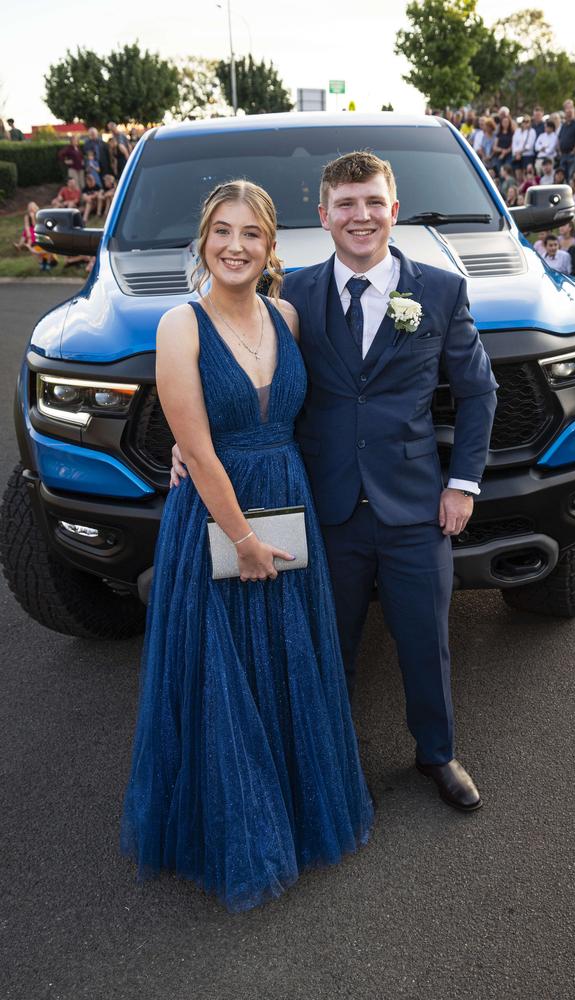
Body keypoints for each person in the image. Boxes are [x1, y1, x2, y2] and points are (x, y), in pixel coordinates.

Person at [170, 153, 498, 816]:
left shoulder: (438, 291)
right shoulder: (291, 300)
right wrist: (183, 440)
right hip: (323, 507)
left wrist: (462, 484)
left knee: (423, 640)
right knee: (326, 642)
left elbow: (479, 391)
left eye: (373, 202)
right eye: (345, 204)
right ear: (323, 217)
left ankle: (436, 753)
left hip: (415, 507)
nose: (361, 216)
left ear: (393, 210)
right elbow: (243, 373)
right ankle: (334, 759)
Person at [121, 179, 374, 911]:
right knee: (221, 672)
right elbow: (197, 452)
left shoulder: (287, 315)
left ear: (270, 246)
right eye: (223, 232)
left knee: (289, 657)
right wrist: (243, 540)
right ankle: (232, 824)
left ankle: (292, 809)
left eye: (252, 233)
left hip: (286, 498)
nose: (236, 246)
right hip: (215, 515)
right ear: (203, 241)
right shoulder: (181, 325)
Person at [557, 102, 575, 180]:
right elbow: (559, 138)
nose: (569, 110)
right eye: (567, 108)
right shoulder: (564, 125)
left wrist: (574, 151)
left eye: (571, 108)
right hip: (563, 155)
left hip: (572, 155)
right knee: (563, 177)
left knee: (571, 176)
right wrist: (559, 151)